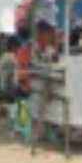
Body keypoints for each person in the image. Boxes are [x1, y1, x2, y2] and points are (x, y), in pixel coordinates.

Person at [21, 15, 65, 149]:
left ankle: (47, 127)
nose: (52, 36)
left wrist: (55, 47)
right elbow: (25, 70)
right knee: (47, 95)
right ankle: (40, 128)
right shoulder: (31, 47)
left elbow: (54, 59)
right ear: (42, 34)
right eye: (49, 34)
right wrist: (26, 82)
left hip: (37, 79)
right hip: (26, 82)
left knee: (52, 92)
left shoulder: (46, 47)